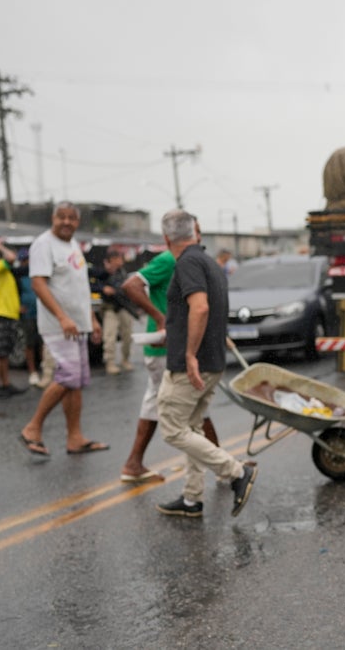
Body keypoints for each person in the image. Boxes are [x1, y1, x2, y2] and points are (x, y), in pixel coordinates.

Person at [153, 210, 256, 518]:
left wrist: (188, 355)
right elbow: (199, 312)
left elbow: (199, 308)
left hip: (193, 364)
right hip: (212, 360)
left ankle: (237, 472)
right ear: (195, 233)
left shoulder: (187, 263)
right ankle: (191, 498)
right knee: (192, 427)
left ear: (166, 238)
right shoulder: (209, 262)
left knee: (172, 429)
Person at [120, 238, 221, 485]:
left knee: (160, 402)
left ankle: (134, 463)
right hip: (165, 346)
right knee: (190, 403)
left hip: (174, 344)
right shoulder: (168, 260)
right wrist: (159, 316)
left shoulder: (188, 261)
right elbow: (131, 284)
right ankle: (222, 465)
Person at [18, 202, 110, 457]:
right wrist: (62, 317)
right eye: (62, 217)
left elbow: (78, 288)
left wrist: (91, 318)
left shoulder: (73, 246)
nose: (67, 222)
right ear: (53, 218)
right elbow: (38, 284)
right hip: (59, 325)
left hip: (77, 324)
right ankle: (32, 428)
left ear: (77, 222)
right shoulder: (43, 244)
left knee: (76, 382)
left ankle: (75, 438)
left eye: (72, 218)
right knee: (68, 377)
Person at [0, 239, 28, 399]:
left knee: (5, 352)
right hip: (0, 315)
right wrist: (0, 246)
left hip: (9, 314)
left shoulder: (7, 273)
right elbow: (10, 257)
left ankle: (5, 384)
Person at [98, 249, 137, 375]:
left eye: (120, 259)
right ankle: (110, 362)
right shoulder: (103, 273)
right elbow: (95, 284)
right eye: (116, 259)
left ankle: (125, 359)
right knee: (109, 336)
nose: (119, 262)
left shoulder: (123, 273)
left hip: (124, 308)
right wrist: (104, 288)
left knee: (127, 336)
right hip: (110, 308)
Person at [15, 249, 44, 387]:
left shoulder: (38, 273)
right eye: (25, 260)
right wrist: (18, 306)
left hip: (42, 312)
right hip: (28, 313)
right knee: (30, 343)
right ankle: (32, 371)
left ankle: (45, 368)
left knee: (43, 342)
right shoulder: (18, 275)